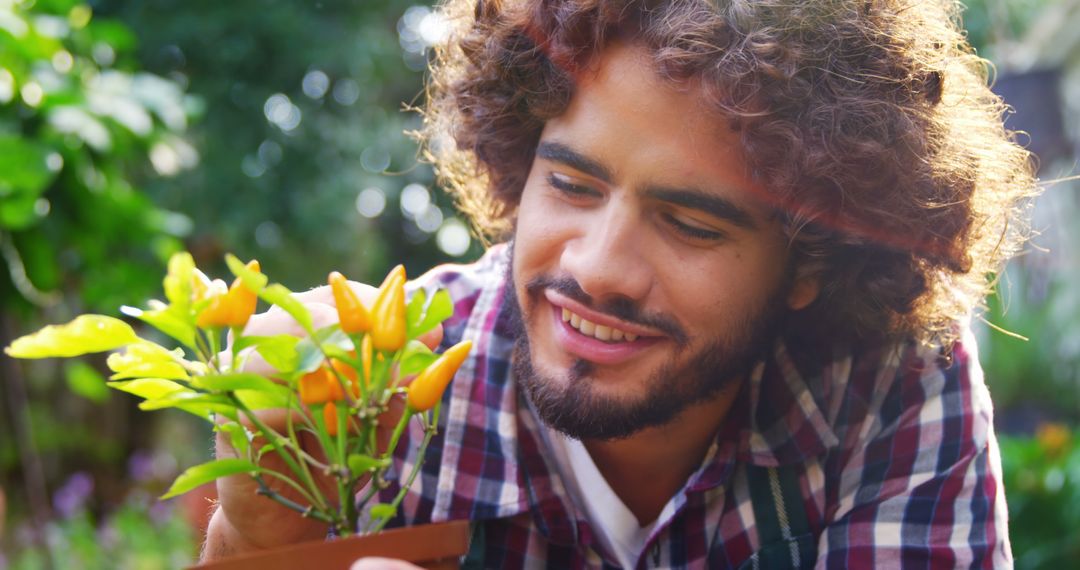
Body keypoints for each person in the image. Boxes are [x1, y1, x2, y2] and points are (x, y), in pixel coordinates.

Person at [203, 0, 1037, 567]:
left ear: (811, 264)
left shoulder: (889, 387)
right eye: (570, 185)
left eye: (691, 225)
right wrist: (257, 531)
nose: (596, 268)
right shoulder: (372, 389)